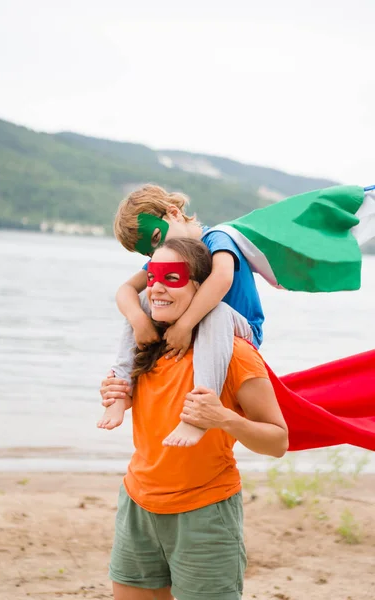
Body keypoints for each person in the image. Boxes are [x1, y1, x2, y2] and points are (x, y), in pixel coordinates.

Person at [101, 237, 288, 600]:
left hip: (204, 513)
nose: (156, 288)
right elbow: (154, 406)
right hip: (138, 504)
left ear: (200, 287)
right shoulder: (149, 341)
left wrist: (224, 419)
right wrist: (119, 396)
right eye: (152, 277)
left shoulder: (234, 354)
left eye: (172, 278)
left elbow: (278, 441)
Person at [98, 184, 265, 447]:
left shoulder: (218, 237)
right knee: (143, 299)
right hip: (197, 329)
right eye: (150, 253)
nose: (157, 251)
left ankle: (197, 412)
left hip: (238, 328)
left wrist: (184, 325)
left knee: (216, 310)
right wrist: (139, 321)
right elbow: (126, 290)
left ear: (173, 213)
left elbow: (222, 277)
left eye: (155, 238)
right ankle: (119, 388)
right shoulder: (169, 253)